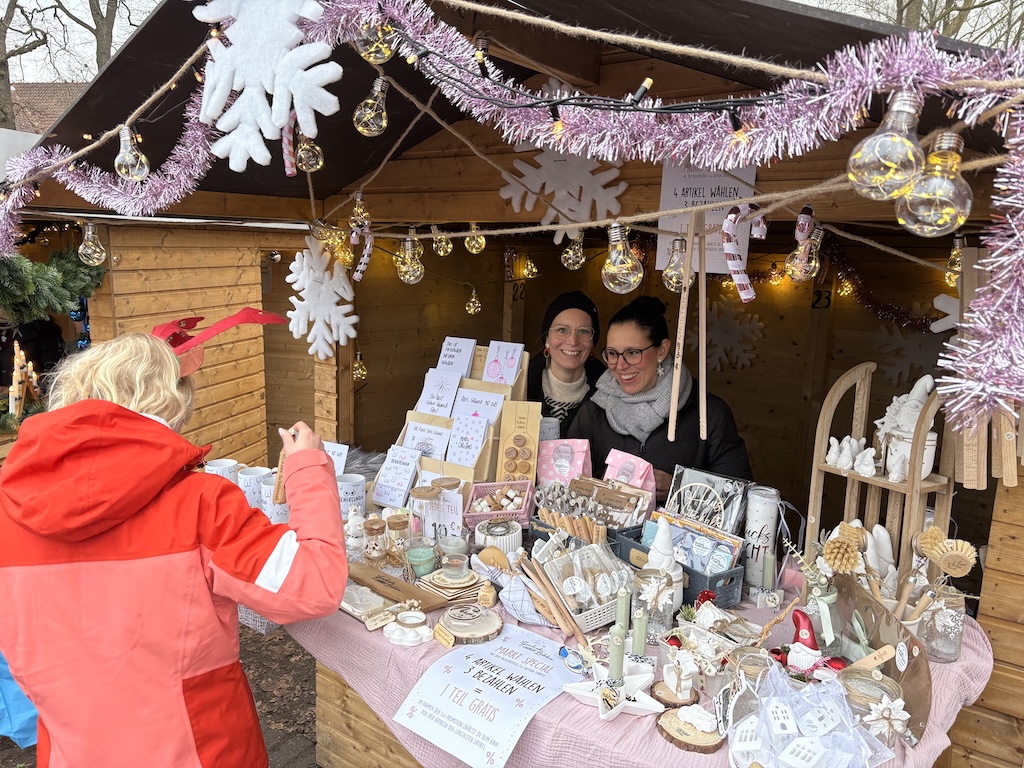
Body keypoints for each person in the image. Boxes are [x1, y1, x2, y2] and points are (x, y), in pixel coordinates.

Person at [0, 333, 347, 767]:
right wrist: (306, 468)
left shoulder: (7, 510)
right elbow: (314, 585)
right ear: (171, 401)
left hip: (74, 750)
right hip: (199, 750)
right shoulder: (201, 503)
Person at [569, 296, 752, 501]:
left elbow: (738, 494)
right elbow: (567, 480)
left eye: (632, 352)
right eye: (612, 353)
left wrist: (679, 487)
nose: (620, 366)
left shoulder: (708, 413)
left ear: (662, 350)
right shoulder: (594, 408)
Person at [526, 290, 606, 437]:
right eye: (562, 330)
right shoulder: (520, 387)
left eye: (583, 331)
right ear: (547, 339)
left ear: (592, 342)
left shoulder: (609, 394)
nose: (573, 341)